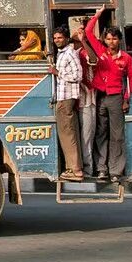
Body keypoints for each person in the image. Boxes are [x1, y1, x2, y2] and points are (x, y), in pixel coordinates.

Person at [84, 8, 132, 182]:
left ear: (119, 40)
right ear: (104, 40)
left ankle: (116, 170)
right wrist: (97, 15)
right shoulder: (101, 51)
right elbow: (88, 32)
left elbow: (131, 80)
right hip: (100, 96)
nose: (111, 41)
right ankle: (101, 169)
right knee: (101, 133)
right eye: (108, 38)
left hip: (116, 98)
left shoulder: (126, 58)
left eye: (114, 38)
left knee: (117, 135)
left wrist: (126, 99)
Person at [49, 26, 84, 181]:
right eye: (55, 38)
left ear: (66, 38)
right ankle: (74, 168)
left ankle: (75, 170)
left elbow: (78, 75)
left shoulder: (70, 53)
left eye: (60, 37)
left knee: (67, 134)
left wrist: (58, 73)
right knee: (67, 132)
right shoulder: (62, 53)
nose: (57, 40)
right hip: (63, 96)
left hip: (66, 97)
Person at [73, 25, 99, 177]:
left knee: (88, 136)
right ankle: (87, 168)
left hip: (89, 99)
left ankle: (89, 168)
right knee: (85, 136)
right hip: (82, 99)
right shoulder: (76, 53)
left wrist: (85, 42)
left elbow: (94, 60)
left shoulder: (85, 52)